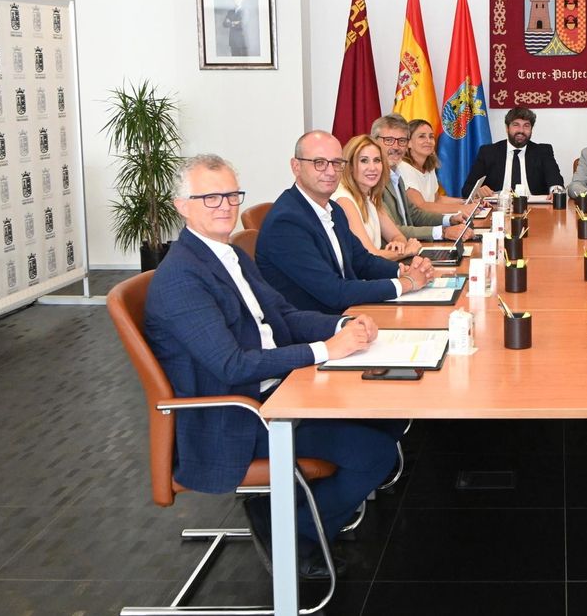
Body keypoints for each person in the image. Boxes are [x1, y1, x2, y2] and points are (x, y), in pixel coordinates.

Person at [145, 154, 402, 580]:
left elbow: (283, 316)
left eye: (232, 195)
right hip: (237, 418)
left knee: (387, 417)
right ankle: (291, 534)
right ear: (181, 205)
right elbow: (231, 366)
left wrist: (343, 325)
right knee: (374, 455)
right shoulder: (181, 279)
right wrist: (325, 350)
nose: (225, 206)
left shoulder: (229, 254)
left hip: (276, 390)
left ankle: (284, 511)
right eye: (210, 198)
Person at [256, 130, 435, 314]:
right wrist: (406, 283)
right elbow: (333, 291)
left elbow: (362, 261)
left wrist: (403, 270)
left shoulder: (333, 209)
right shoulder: (286, 222)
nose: (331, 171)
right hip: (319, 324)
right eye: (319, 163)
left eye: (336, 163)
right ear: (296, 166)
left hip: (348, 312)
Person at [372, 114, 475, 242]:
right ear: (374, 142)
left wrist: (450, 219)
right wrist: (443, 232)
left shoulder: (395, 175)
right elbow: (393, 230)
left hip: (411, 244)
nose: (396, 146)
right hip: (393, 249)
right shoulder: (373, 181)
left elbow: (415, 215)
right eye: (388, 140)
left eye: (401, 141)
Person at [335, 134, 422, 261]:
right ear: (351, 166)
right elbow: (369, 256)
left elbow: (397, 235)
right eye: (364, 160)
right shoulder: (344, 200)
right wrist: (406, 251)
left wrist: (398, 244)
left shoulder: (371, 196)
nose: (373, 168)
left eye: (377, 160)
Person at [462, 106, 564, 195]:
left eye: (526, 126)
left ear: (531, 129)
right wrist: (478, 191)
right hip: (498, 207)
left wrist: (556, 191)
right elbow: (467, 189)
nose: (521, 130)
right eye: (516, 125)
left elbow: (556, 182)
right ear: (507, 128)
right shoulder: (488, 152)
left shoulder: (543, 152)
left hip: (534, 207)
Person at [398, 118, 473, 215]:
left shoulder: (429, 167)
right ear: (408, 143)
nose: (428, 141)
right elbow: (421, 206)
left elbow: (437, 199)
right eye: (422, 136)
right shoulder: (403, 168)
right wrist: (463, 208)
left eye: (431, 137)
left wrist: (467, 202)